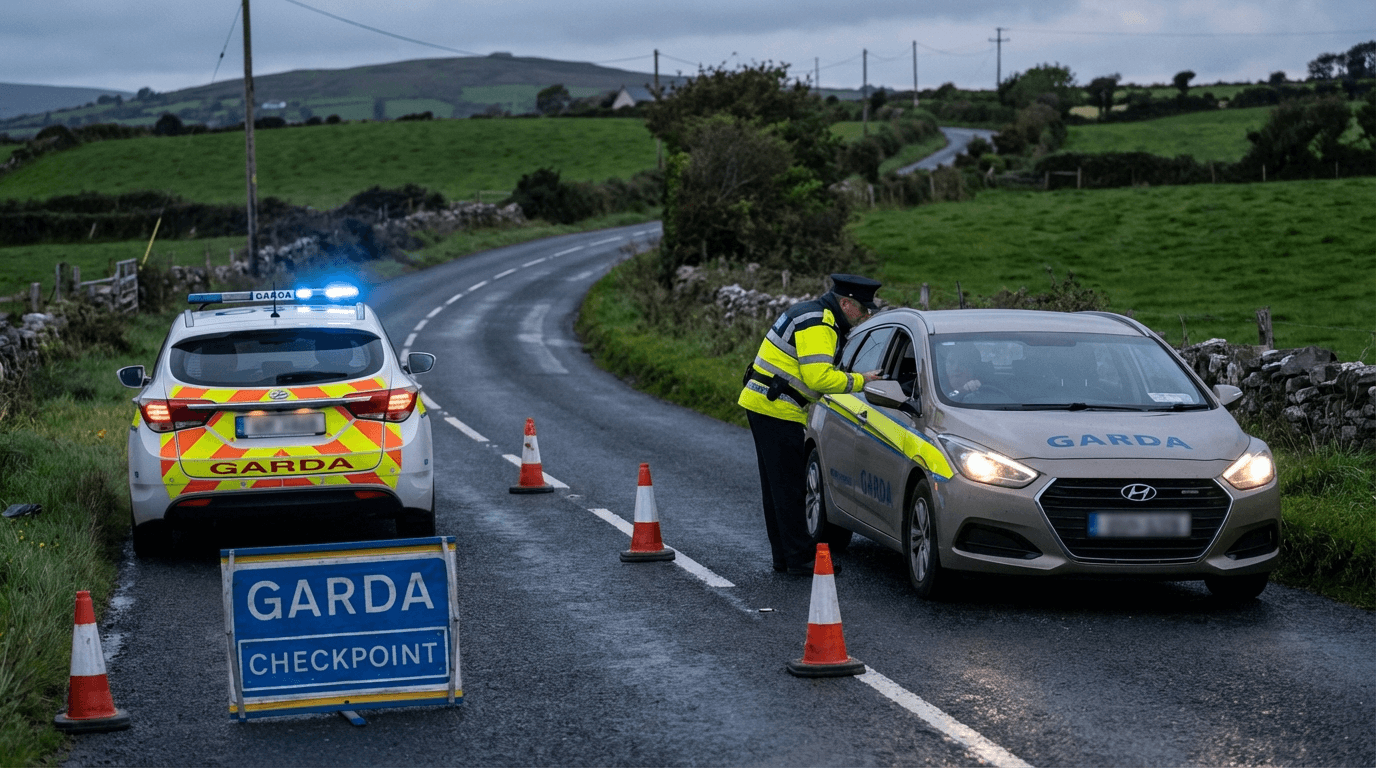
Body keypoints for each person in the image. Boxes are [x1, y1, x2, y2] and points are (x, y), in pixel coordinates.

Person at [738, 273, 882, 575]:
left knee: (777, 487)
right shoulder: (819, 324)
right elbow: (819, 378)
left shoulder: (813, 313)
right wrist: (862, 380)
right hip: (777, 408)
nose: (866, 315)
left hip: (764, 403)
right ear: (845, 303)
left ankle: (785, 557)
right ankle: (802, 559)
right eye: (863, 309)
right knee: (790, 487)